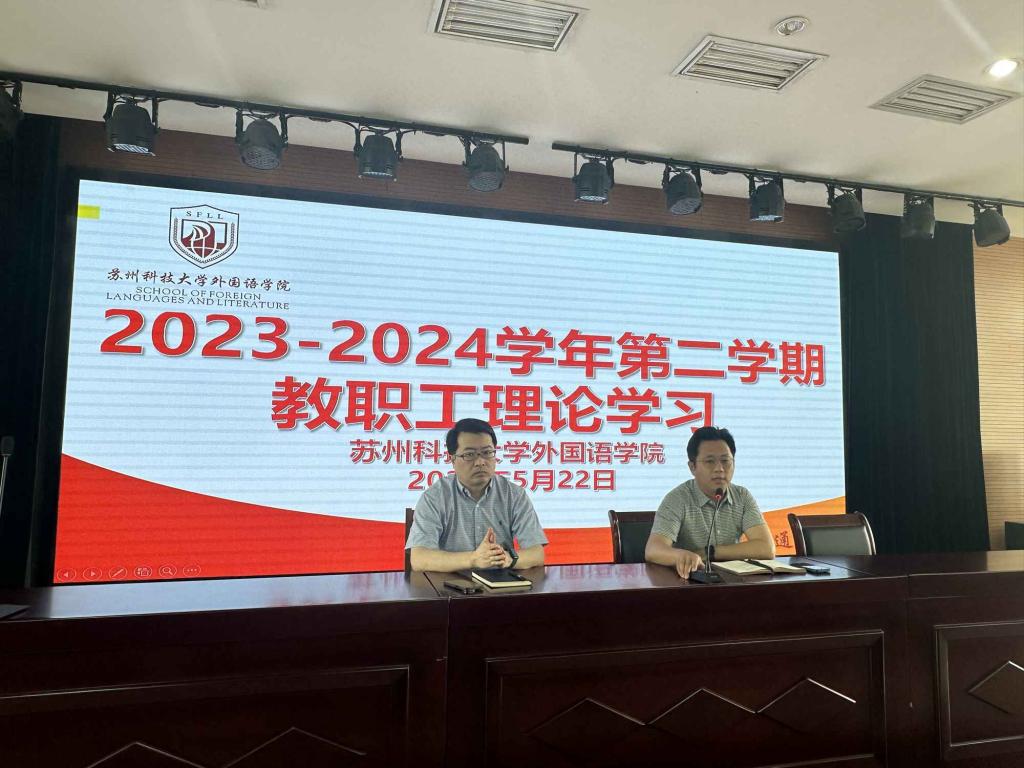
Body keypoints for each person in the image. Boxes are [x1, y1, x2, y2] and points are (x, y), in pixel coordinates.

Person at [406, 418, 547, 572]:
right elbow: (419, 559)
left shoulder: (514, 495)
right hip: (450, 583)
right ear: (452, 459)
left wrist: (507, 559)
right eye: (470, 454)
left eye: (487, 453)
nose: (480, 462)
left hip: (500, 583)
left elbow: (537, 553)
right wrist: (473, 559)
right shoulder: (435, 497)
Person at [645, 426, 775, 578]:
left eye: (725, 461)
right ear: (692, 467)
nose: (719, 469)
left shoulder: (742, 496)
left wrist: (710, 552)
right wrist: (681, 556)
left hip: (731, 582)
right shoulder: (678, 499)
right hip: (689, 582)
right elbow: (653, 550)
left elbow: (766, 548)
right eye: (710, 461)